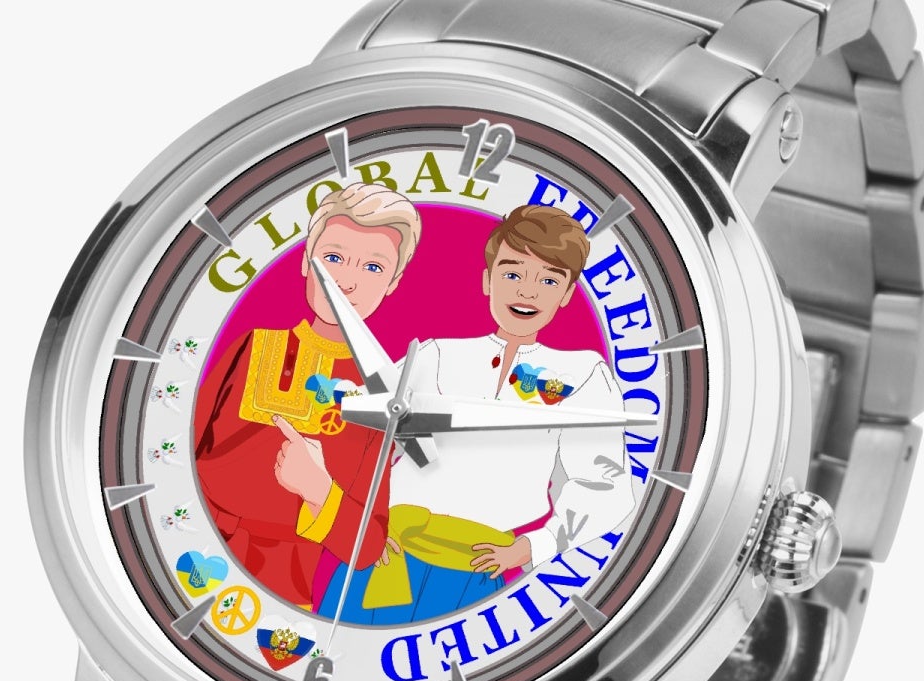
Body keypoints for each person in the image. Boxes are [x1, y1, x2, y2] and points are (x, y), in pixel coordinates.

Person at [318, 203, 635, 626]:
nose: (527, 292)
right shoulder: (435, 354)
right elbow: (368, 426)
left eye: (548, 280)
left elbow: (607, 486)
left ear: (566, 294)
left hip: (477, 564)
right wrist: (368, 520)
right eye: (512, 274)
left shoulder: (583, 374)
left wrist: (533, 546)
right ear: (488, 281)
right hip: (387, 551)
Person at [193, 182, 419, 612]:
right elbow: (169, 446)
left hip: (280, 595)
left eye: (373, 267)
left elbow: (368, 545)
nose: (345, 282)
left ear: (393, 284)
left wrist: (319, 490)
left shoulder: (383, 398)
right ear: (305, 260)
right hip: (188, 549)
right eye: (333, 258)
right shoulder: (251, 347)